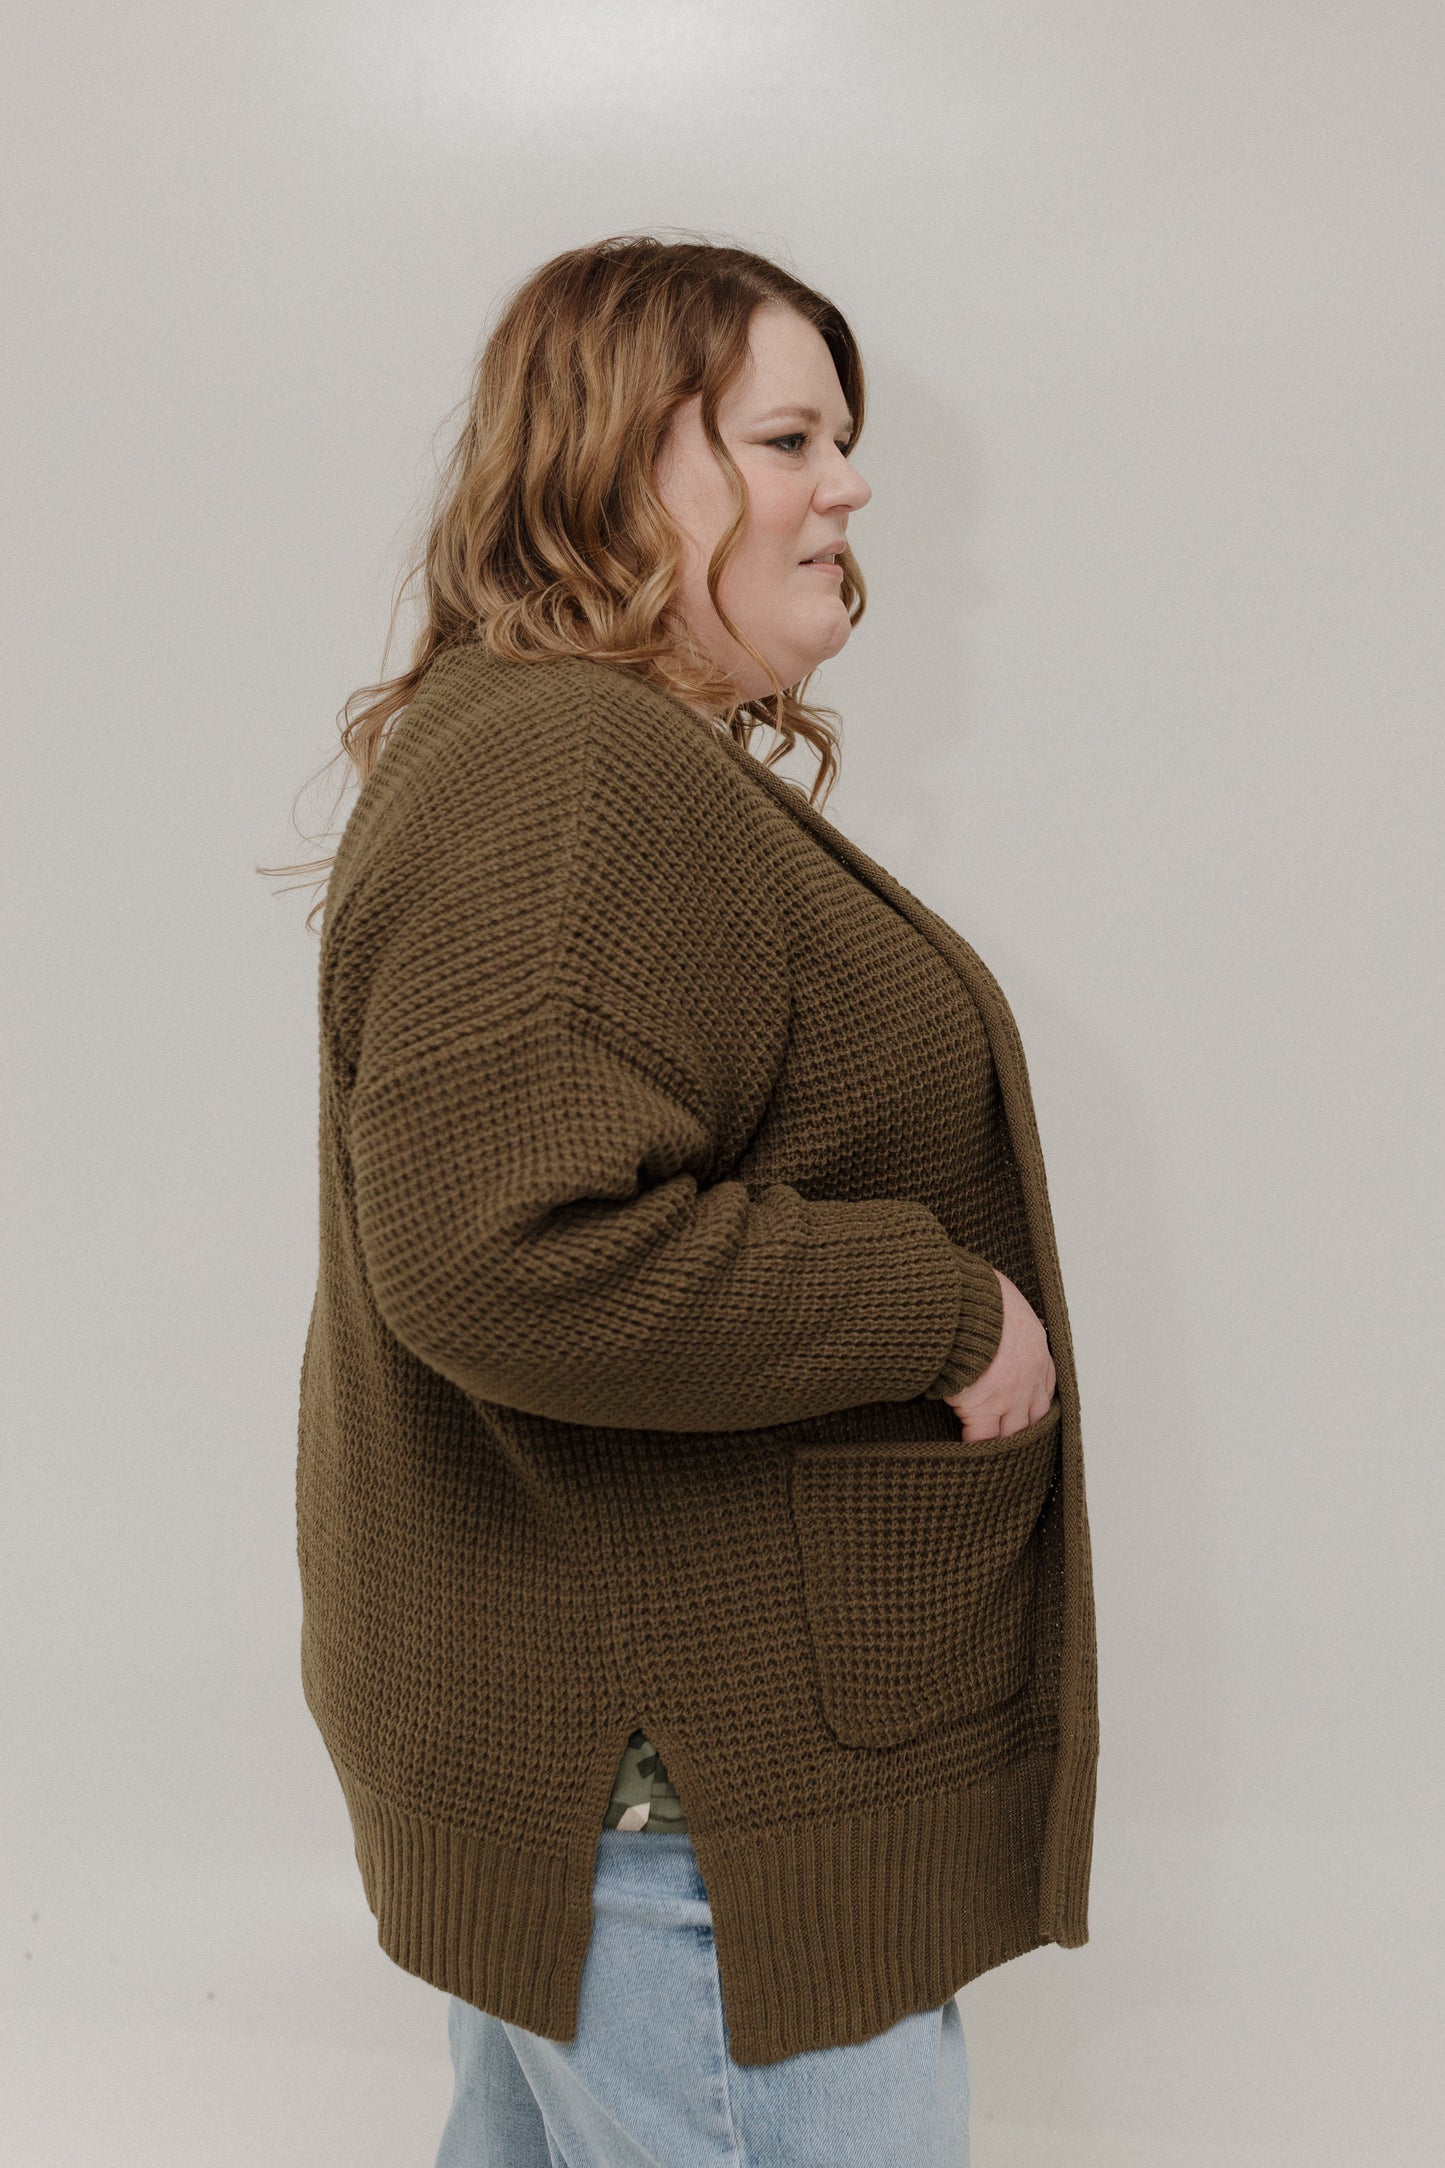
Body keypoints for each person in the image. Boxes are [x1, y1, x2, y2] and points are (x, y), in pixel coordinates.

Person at [275, 232, 1099, 2165]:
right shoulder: (566, 769)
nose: (851, 487)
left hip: (638, 1776)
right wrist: (942, 1311)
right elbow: (510, 1257)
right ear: (638, 459)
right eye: (792, 436)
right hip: (683, 1808)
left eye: (844, 437)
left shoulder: (574, 751)